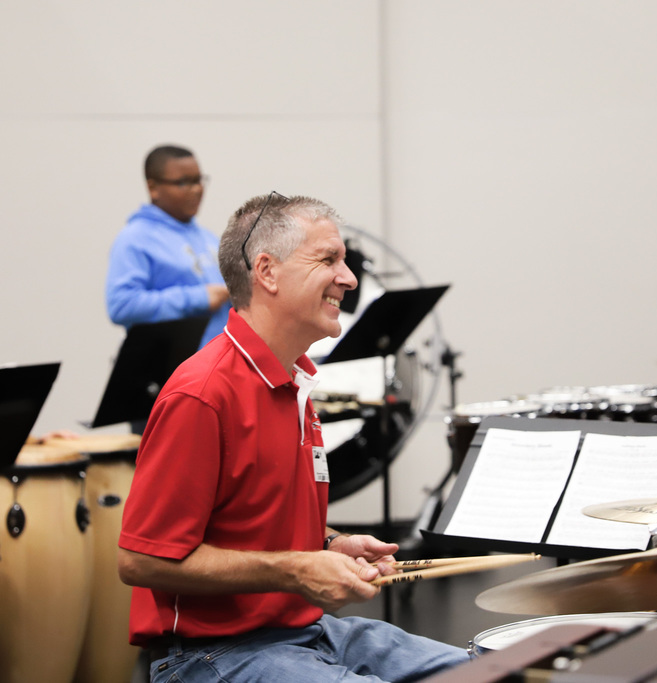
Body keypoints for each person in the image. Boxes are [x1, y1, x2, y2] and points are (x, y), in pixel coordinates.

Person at [117, 193, 470, 682]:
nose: (349, 278)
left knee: (484, 670)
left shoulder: (293, 381)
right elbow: (141, 559)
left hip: (305, 631)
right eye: (329, 260)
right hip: (209, 654)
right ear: (267, 271)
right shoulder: (202, 394)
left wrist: (330, 543)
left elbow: (251, 525)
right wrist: (297, 568)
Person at [106, 145, 230, 349]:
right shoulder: (134, 238)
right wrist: (198, 298)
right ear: (153, 188)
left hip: (220, 360)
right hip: (175, 364)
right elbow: (121, 305)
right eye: (183, 182)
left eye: (198, 180)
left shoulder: (208, 238)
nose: (197, 189)